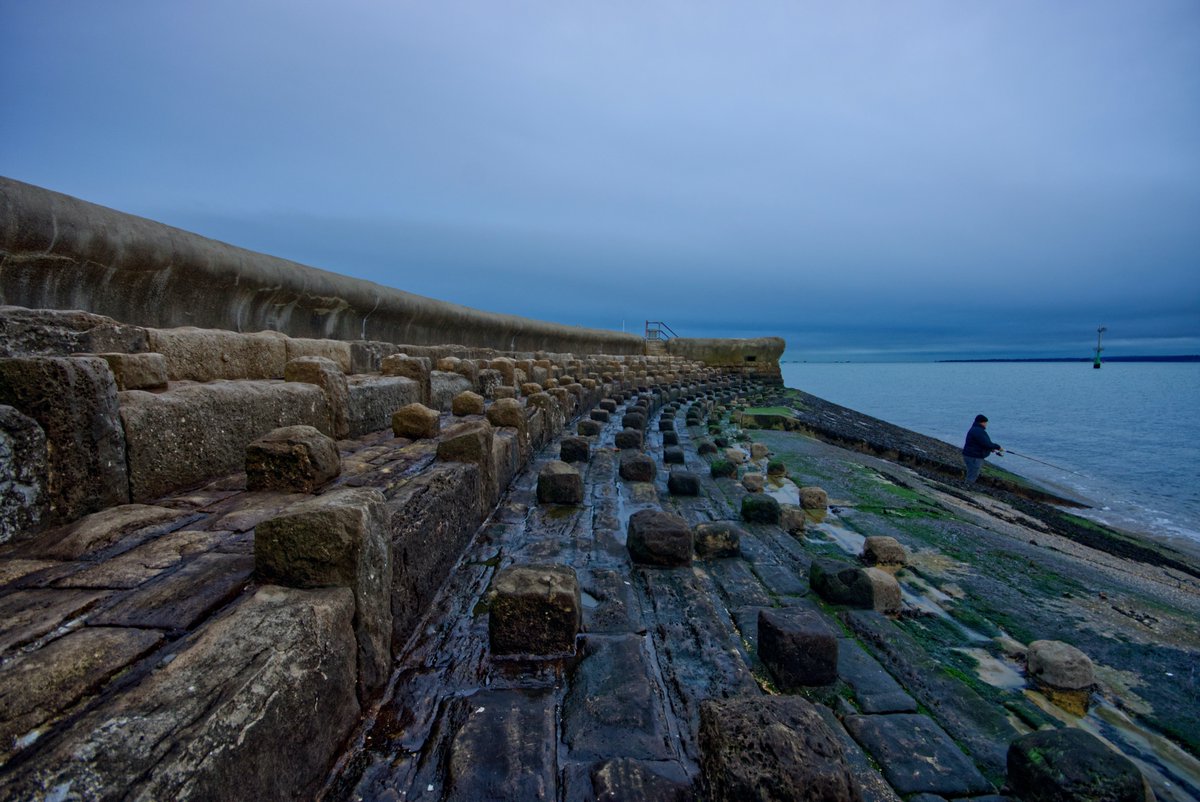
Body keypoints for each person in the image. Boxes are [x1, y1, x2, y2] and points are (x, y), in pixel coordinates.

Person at [962, 414, 1003, 483]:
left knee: (972, 473)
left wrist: (991, 449)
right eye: (986, 423)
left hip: (970, 455)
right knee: (973, 474)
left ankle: (968, 486)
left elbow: (980, 443)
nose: (986, 425)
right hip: (974, 456)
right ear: (982, 422)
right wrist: (998, 447)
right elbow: (987, 443)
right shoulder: (978, 431)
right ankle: (967, 487)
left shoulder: (975, 429)